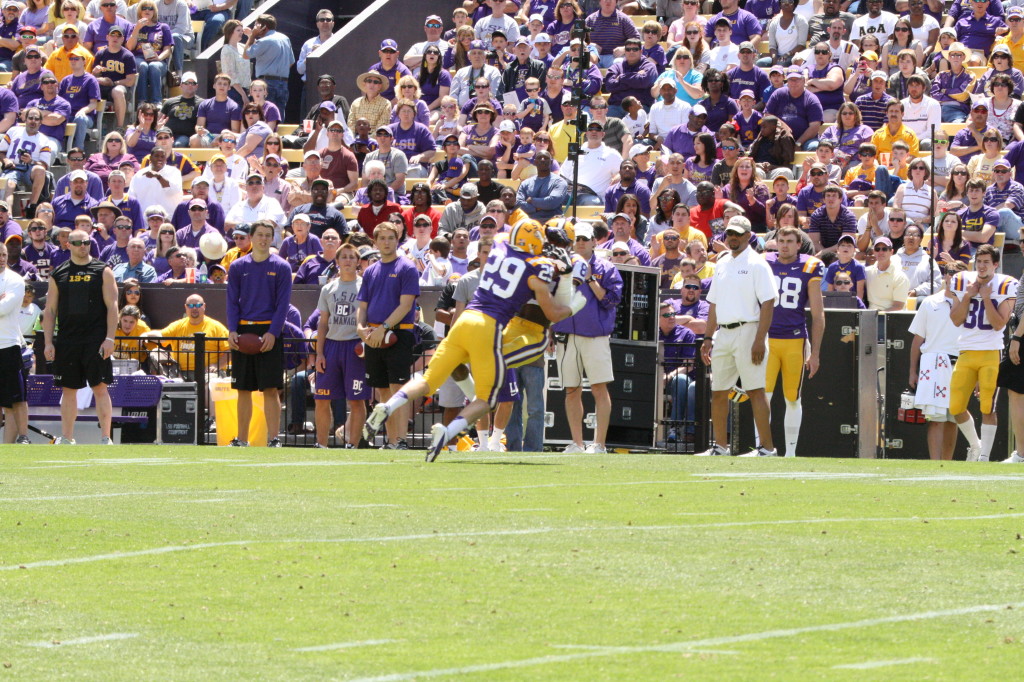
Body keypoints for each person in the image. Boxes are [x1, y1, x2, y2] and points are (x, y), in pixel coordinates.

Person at [365, 220, 574, 461]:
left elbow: (513, 238)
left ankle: (387, 406)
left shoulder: (498, 247)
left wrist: (543, 238)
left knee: (428, 380)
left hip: (464, 320)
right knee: (486, 399)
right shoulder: (536, 269)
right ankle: (448, 432)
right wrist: (571, 302)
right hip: (489, 326)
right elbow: (552, 311)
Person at [697, 216, 779, 458]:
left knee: (755, 389)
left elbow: (768, 303)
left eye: (737, 233)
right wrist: (708, 337)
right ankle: (720, 447)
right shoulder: (722, 264)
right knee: (718, 391)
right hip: (724, 333)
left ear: (748, 236)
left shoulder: (757, 263)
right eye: (729, 233)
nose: (732, 237)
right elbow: (713, 303)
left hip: (749, 330)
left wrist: (758, 339)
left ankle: (767, 449)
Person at [42, 227, 118, 445]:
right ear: (68, 245)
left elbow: (113, 306)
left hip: (96, 339)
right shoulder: (59, 273)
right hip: (68, 340)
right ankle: (67, 438)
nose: (83, 246)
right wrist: (48, 342)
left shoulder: (102, 270)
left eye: (86, 242)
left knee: (100, 387)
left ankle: (106, 437)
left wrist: (110, 338)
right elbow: (50, 310)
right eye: (77, 243)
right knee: (69, 389)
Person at [225, 219, 293, 448]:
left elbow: (283, 304)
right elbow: (232, 301)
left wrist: (273, 332)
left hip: (269, 332)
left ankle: (274, 439)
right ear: (251, 237)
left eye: (268, 235)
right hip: (244, 331)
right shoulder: (237, 266)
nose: (263, 239)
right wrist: (233, 330)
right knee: (243, 388)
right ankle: (241, 439)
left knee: (271, 388)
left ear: (272, 238)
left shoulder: (282, 267)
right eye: (260, 234)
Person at [948, 244, 1016, 461]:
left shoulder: (1006, 284)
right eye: (979, 261)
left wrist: (986, 298)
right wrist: (968, 296)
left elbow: (998, 324)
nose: (982, 266)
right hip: (966, 350)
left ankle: (984, 456)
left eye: (987, 262)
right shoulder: (963, 281)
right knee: (956, 406)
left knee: (987, 406)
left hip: (990, 352)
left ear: (996, 264)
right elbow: (956, 319)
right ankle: (976, 446)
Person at [354, 222, 419, 450]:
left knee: (397, 390)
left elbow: (406, 305)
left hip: (397, 335)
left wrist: (384, 327)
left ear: (397, 239)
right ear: (375, 241)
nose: (387, 242)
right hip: (374, 335)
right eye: (382, 238)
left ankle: (400, 440)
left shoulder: (407, 267)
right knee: (381, 390)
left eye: (391, 237)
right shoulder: (370, 271)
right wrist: (360, 328)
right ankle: (390, 441)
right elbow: (362, 305)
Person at [763, 226, 824, 457]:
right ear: (775, 242)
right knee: (764, 395)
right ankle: (763, 448)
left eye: (790, 241)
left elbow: (818, 314)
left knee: (792, 397)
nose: (785, 245)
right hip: (767, 338)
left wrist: (815, 352)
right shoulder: (765, 262)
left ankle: (790, 453)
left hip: (794, 339)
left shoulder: (809, 266)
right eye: (781, 240)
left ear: (799, 244)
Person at [314, 242, 371, 449]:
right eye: (343, 257)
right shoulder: (328, 288)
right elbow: (322, 323)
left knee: (357, 400)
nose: (347, 260)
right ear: (336, 262)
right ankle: (321, 444)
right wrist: (319, 353)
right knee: (321, 398)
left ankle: (353, 444)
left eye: (351, 256)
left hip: (355, 347)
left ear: (358, 261)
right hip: (332, 347)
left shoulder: (366, 286)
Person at [909, 261, 965, 461]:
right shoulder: (929, 302)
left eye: (957, 273)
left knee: (953, 418)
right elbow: (918, 339)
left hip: (960, 365)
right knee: (936, 418)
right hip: (932, 366)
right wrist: (912, 372)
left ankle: (947, 464)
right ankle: (935, 463)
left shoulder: (971, 304)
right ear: (944, 276)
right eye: (949, 272)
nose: (952, 277)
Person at [140, 294, 230, 381]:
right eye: (190, 305)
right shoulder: (178, 325)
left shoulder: (216, 327)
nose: (194, 308)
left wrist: (216, 365)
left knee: (209, 384)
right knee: (155, 353)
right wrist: (146, 335)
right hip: (179, 372)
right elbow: (161, 335)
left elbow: (230, 350)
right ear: (185, 307)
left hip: (208, 373)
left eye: (198, 305)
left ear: (204, 306)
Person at [0, 241, 28, 443]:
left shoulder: (15, 280)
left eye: (2, 254)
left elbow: (3, 308)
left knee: (14, 400)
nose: (1, 258)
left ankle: (19, 439)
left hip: (7, 346)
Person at [243, 14, 294, 112]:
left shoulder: (263, 41)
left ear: (264, 27)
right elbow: (291, 62)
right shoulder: (285, 38)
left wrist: (252, 35)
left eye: (256, 25)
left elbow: (246, 55)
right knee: (279, 116)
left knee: (265, 115)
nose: (254, 28)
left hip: (266, 84)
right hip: (283, 83)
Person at [516, 150, 569, 221]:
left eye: (546, 158)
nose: (543, 159)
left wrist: (532, 200)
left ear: (551, 162)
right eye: (539, 158)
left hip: (552, 222)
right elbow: (518, 203)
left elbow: (552, 202)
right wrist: (536, 208)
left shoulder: (559, 182)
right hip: (530, 223)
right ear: (535, 162)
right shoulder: (525, 183)